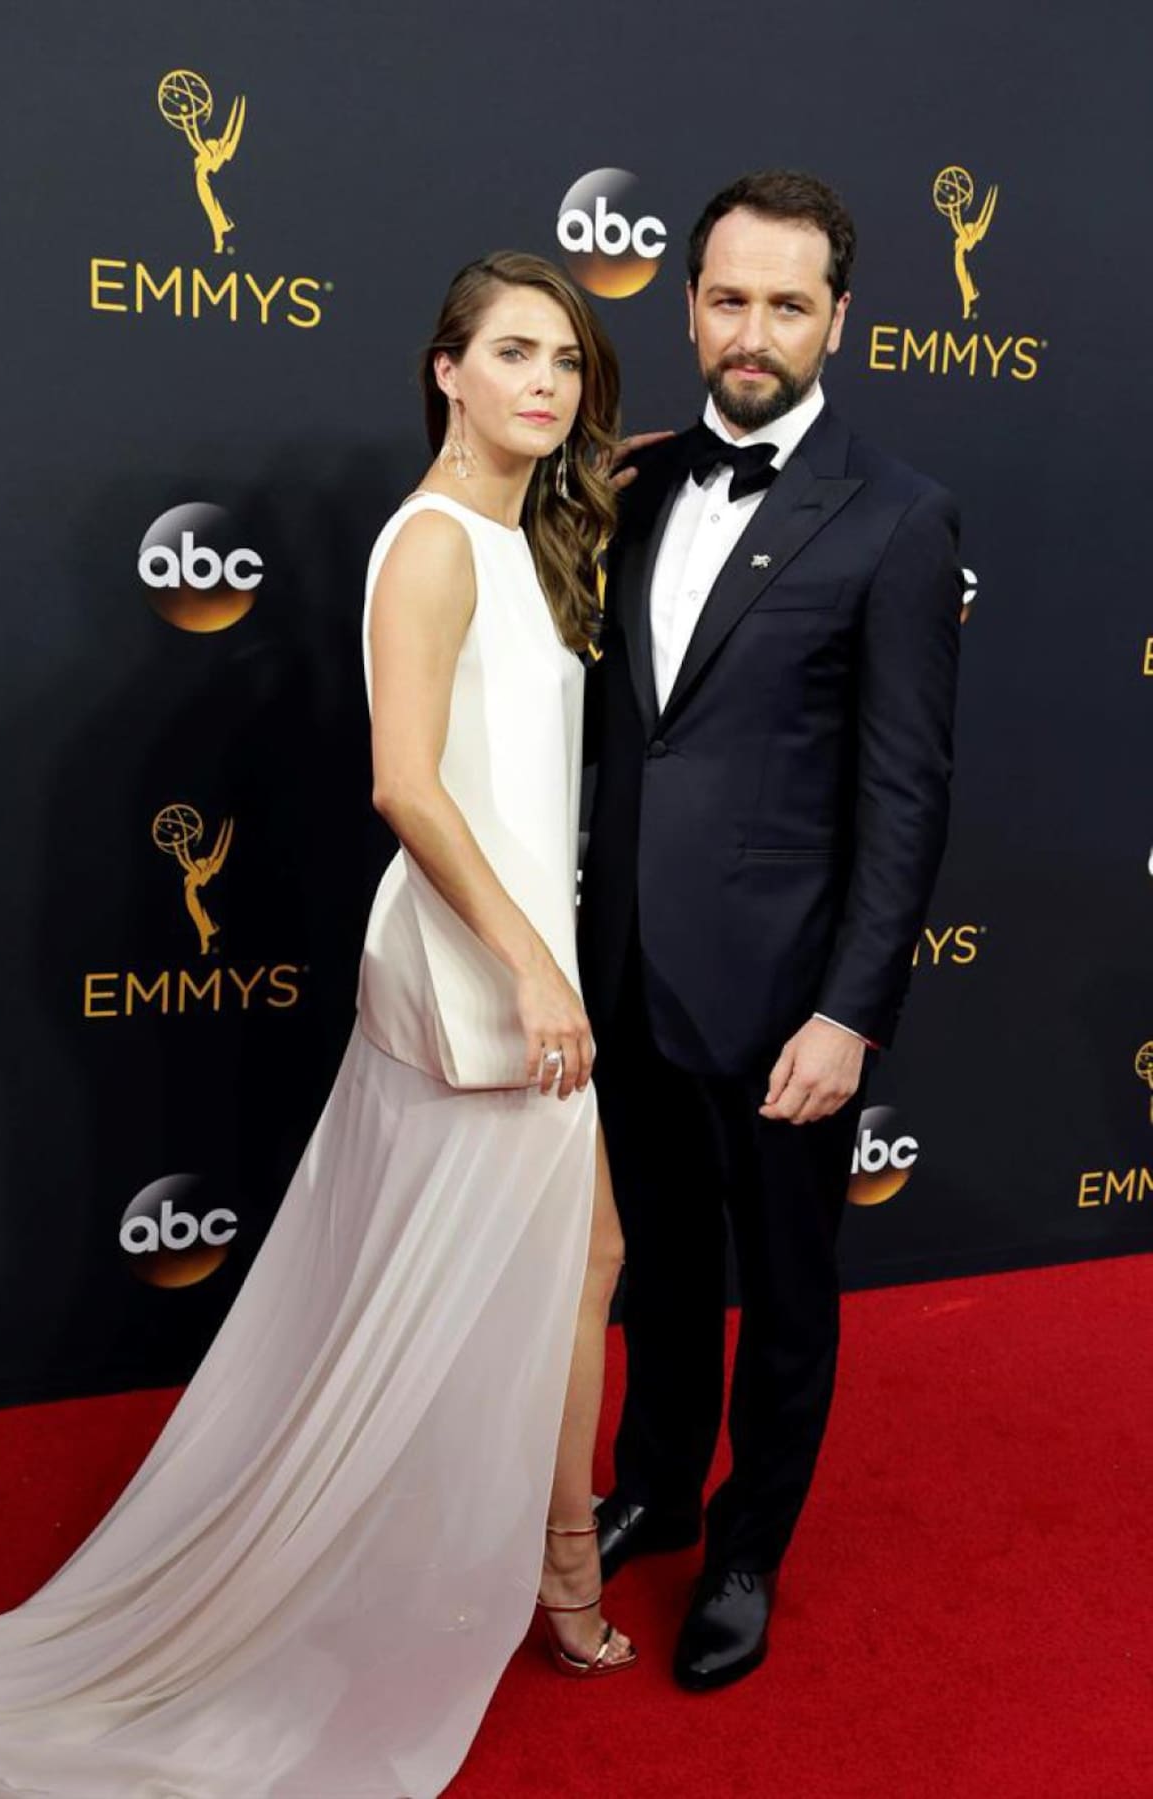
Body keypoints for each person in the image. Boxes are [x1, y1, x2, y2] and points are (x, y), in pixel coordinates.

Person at [0, 250, 631, 1799]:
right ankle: (557, 1581)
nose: (547, 381)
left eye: (572, 362)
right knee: (547, 1265)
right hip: (486, 957)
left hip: (516, 944)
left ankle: (542, 1563)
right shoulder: (440, 547)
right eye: (514, 351)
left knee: (574, 1261)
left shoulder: (525, 544)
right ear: (443, 371)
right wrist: (533, 965)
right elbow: (406, 782)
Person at [580, 170, 962, 1692]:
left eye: (786, 304)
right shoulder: (631, 483)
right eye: (727, 299)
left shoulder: (902, 518)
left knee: (788, 1293)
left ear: (840, 322)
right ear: (687, 308)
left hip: (791, 1001)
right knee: (658, 1267)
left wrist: (850, 1011)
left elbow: (907, 795)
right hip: (624, 977)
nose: (754, 332)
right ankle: (661, 1485)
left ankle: (747, 1545)